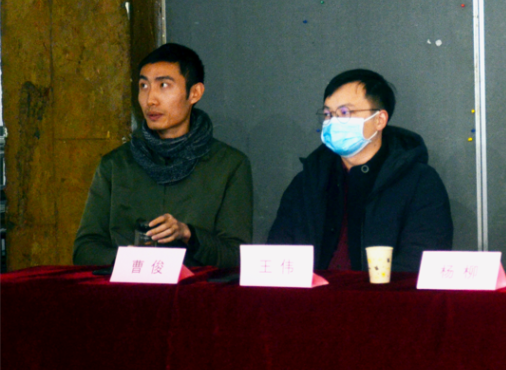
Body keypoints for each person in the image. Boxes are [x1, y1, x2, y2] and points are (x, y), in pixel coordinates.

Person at [74, 43, 253, 267]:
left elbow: (236, 256)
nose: (150, 99)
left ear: (194, 93)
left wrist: (188, 234)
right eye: (143, 86)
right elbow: (84, 249)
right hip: (129, 286)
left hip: (196, 288)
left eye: (164, 85)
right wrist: (127, 258)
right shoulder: (116, 164)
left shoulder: (229, 164)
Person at [268, 69, 452, 272]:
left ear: (379, 119)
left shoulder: (419, 182)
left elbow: (420, 261)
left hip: (382, 291)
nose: (333, 122)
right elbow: (279, 253)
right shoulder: (307, 181)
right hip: (314, 291)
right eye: (328, 114)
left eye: (345, 113)